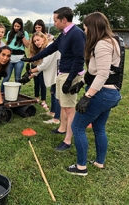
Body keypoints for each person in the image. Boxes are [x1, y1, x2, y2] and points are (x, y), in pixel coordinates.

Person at [21, 7, 86, 151]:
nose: (54, 23)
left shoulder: (76, 34)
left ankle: (68, 140)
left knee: (69, 109)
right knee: (62, 104)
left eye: (56, 20)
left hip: (70, 75)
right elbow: (49, 50)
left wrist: (69, 80)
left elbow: (79, 59)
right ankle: (62, 128)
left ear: (64, 20)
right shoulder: (64, 34)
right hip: (62, 73)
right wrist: (32, 58)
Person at [65, 12, 122, 176]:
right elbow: (100, 71)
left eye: (85, 27)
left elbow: (103, 74)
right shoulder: (112, 41)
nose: (84, 31)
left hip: (102, 93)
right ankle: (99, 162)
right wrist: (82, 83)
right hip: (110, 94)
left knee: (77, 126)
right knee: (99, 128)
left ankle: (81, 167)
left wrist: (87, 96)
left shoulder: (102, 45)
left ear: (93, 27)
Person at [18, 31, 61, 124]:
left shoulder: (50, 46)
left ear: (44, 38)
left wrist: (30, 71)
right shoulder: (45, 48)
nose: (36, 42)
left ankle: (56, 119)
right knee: (53, 93)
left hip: (58, 73)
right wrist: (28, 77)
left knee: (57, 96)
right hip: (55, 73)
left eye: (38, 40)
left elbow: (44, 65)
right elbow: (41, 67)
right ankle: (52, 112)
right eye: (34, 41)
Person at [1, 18, 29, 93]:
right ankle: (1, 93)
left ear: (21, 26)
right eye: (15, 26)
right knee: (6, 77)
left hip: (19, 58)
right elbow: (7, 44)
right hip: (10, 58)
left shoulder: (25, 33)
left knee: (17, 78)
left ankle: (17, 94)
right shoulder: (10, 32)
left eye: (18, 26)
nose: (16, 28)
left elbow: (27, 45)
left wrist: (22, 37)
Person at [31, 19, 48, 109]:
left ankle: (44, 100)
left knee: (43, 82)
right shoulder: (34, 38)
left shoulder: (47, 39)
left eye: (39, 27)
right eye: (36, 27)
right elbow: (31, 50)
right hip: (35, 62)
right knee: (36, 81)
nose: (37, 29)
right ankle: (36, 97)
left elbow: (45, 63)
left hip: (43, 64)